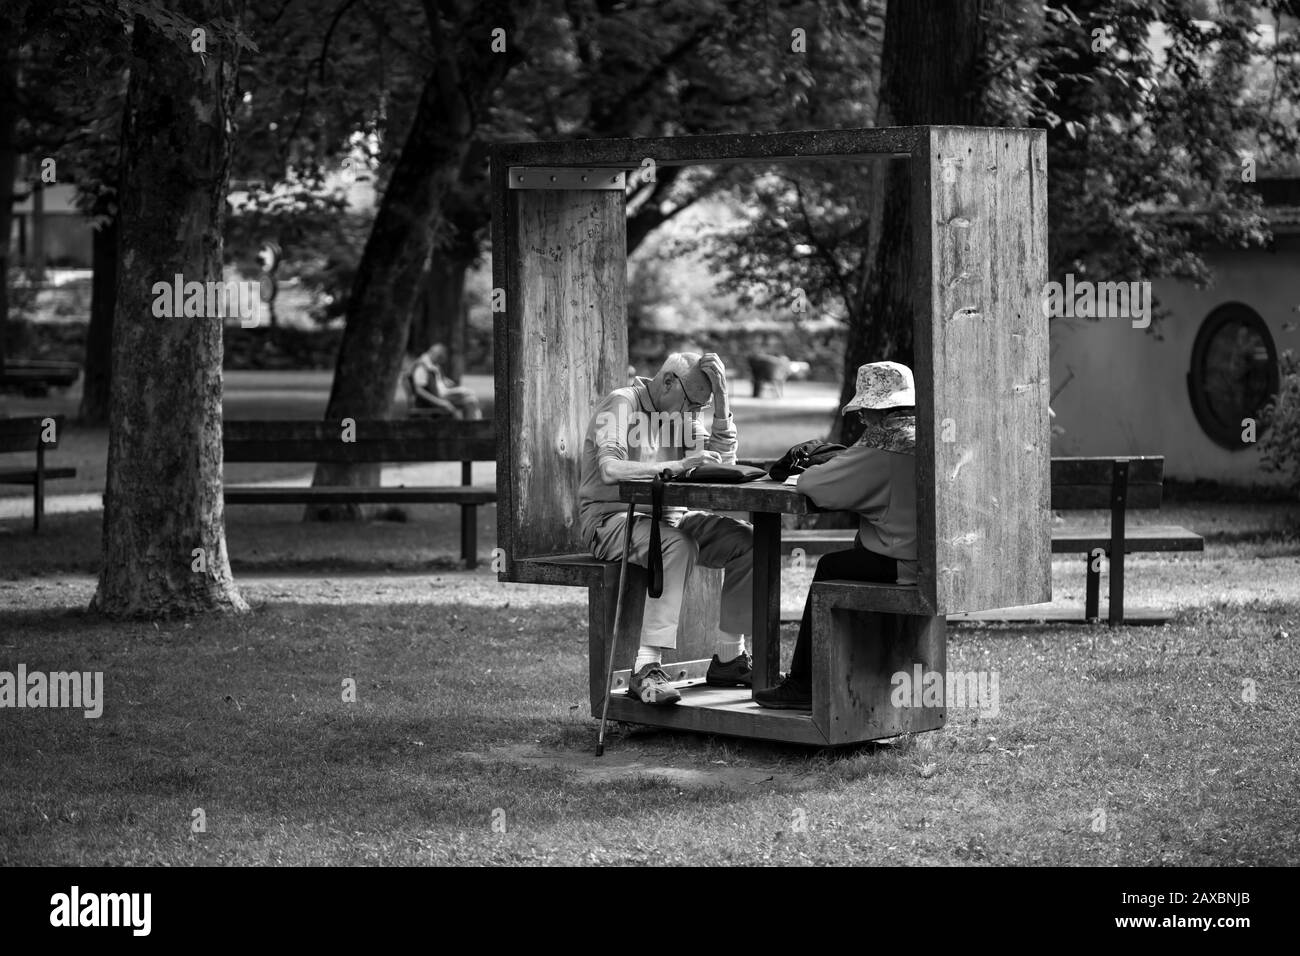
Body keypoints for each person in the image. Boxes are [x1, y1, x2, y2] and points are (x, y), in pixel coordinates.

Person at [580, 352, 754, 705]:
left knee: (747, 541)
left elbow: (723, 465)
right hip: (611, 519)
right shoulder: (621, 404)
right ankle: (646, 668)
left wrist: (721, 400)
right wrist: (679, 464)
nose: (694, 416)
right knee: (676, 546)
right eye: (693, 405)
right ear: (668, 382)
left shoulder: (682, 413)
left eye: (700, 409)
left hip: (671, 517)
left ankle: (728, 657)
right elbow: (611, 469)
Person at [755, 361, 919, 710]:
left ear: (876, 410)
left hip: (904, 563)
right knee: (851, 557)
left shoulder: (883, 444)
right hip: (929, 558)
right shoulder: (924, 435)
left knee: (830, 566)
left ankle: (803, 684)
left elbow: (817, 486)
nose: (863, 420)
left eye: (863, 414)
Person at [407, 344, 482, 419]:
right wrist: (440, 403)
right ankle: (473, 426)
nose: (439, 361)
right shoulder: (421, 367)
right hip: (433, 400)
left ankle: (472, 425)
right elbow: (419, 391)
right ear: (434, 354)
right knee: (470, 399)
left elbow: (436, 378)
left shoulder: (432, 364)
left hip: (442, 394)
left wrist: (445, 380)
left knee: (470, 399)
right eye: (439, 357)